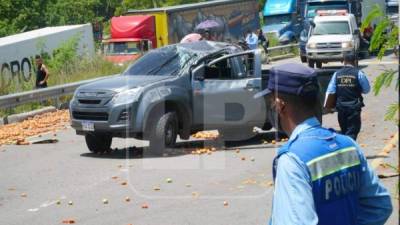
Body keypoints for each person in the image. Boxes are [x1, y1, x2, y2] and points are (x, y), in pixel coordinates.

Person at [254, 63, 392, 225]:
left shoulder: (292, 160)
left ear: (279, 105)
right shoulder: (349, 145)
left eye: (271, 103)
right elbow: (380, 206)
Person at [326, 52, 370, 140]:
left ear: (344, 61)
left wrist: (328, 107)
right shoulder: (359, 73)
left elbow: (330, 91)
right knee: (352, 132)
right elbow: (367, 90)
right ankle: (350, 151)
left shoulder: (336, 74)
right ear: (355, 61)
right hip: (353, 108)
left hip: (341, 107)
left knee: (344, 130)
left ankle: (346, 148)